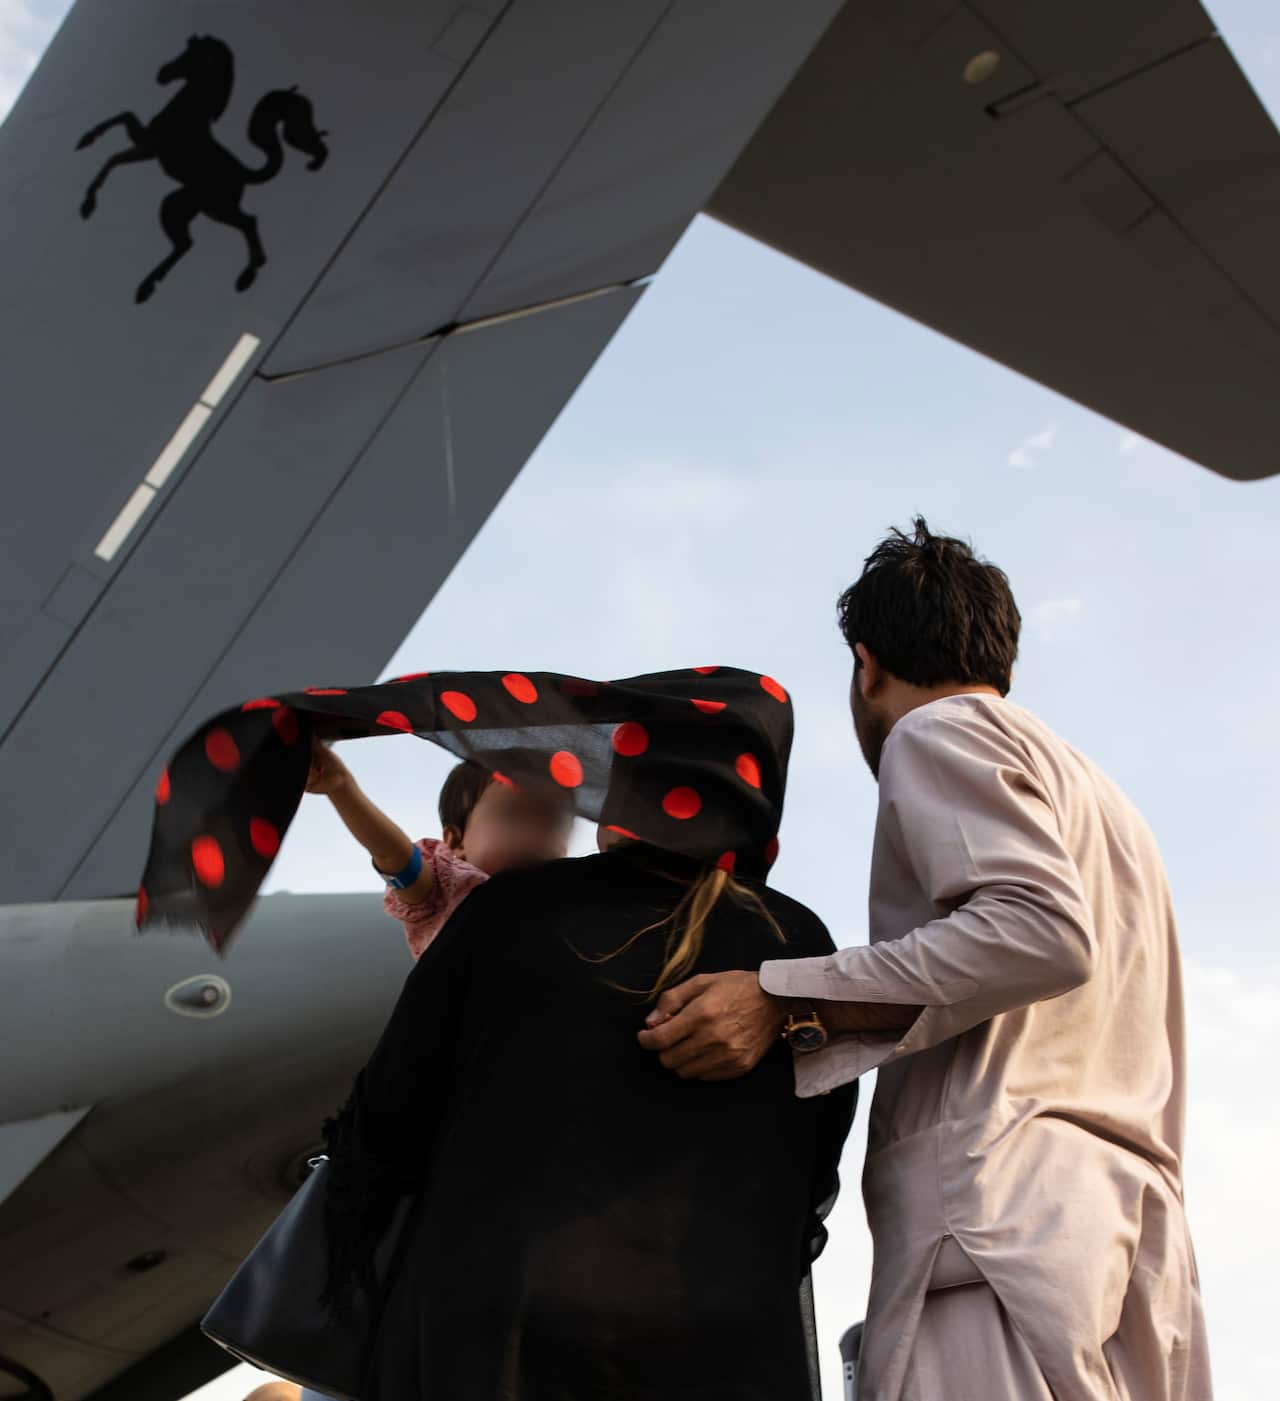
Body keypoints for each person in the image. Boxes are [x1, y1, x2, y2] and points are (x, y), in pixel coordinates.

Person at [637, 520, 1212, 1401]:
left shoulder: (934, 732)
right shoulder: (1106, 802)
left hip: (999, 1236)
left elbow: (1035, 931)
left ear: (866, 664)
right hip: (1128, 1243)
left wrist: (782, 997)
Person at [304, 739, 573, 957]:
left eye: (553, 824)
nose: (532, 835)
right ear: (456, 842)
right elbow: (393, 855)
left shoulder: (567, 906)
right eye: (511, 816)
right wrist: (342, 788)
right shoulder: (447, 891)